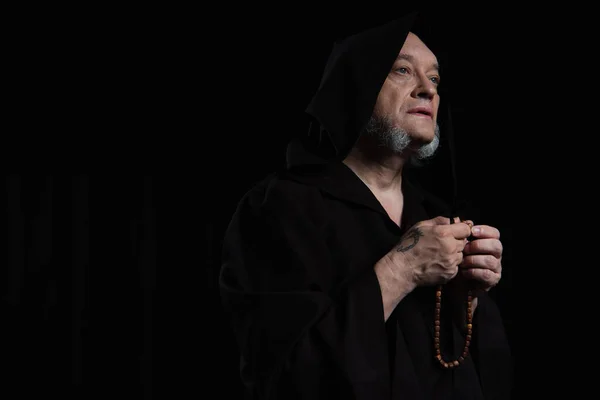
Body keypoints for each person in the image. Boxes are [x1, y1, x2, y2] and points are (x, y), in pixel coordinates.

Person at [219, 12, 513, 400]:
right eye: (403, 71)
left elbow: (482, 376)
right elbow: (286, 376)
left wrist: (467, 299)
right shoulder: (281, 209)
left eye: (436, 78)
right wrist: (402, 268)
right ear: (355, 87)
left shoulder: (437, 215)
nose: (428, 89)